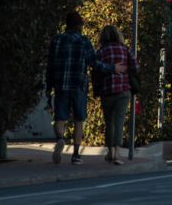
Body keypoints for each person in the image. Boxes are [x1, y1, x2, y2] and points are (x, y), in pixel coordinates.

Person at [46, 11, 125, 165]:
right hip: (79, 85)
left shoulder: (56, 40)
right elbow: (94, 63)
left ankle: (61, 139)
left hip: (61, 85)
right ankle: (76, 155)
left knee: (60, 118)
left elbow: (50, 66)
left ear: (66, 25)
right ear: (79, 26)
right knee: (79, 120)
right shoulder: (83, 41)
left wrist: (49, 88)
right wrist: (112, 68)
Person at [96, 25, 137, 165]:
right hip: (123, 90)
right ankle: (118, 153)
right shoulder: (124, 49)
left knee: (109, 122)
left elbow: (96, 69)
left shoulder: (101, 52)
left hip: (107, 91)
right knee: (119, 121)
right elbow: (135, 66)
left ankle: (110, 152)